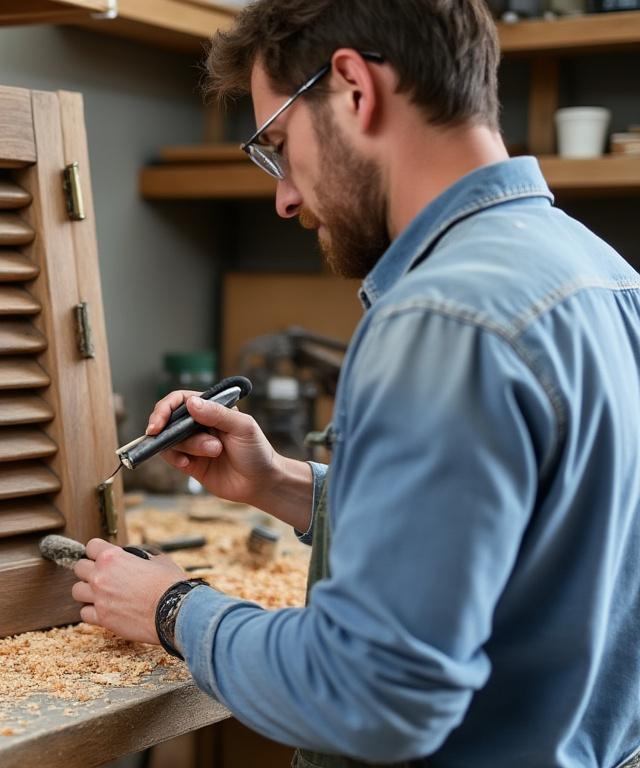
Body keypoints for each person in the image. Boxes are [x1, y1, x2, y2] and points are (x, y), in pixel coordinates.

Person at [69, 1, 640, 765]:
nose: (285, 196)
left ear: (354, 88)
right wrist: (282, 485)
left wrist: (174, 608)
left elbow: (372, 693)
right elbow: (530, 535)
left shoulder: (439, 317)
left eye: (278, 145)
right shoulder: (607, 278)